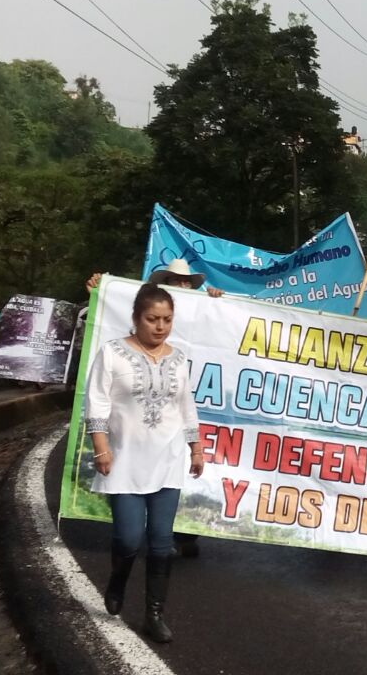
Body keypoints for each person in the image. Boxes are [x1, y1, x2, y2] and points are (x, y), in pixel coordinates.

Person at [86, 283, 204, 643]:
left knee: (160, 541)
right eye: (152, 319)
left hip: (167, 458)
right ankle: (119, 577)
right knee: (127, 537)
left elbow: (186, 407)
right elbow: (97, 402)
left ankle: (154, 615)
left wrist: (196, 448)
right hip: (124, 459)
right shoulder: (113, 353)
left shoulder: (179, 358)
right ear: (136, 318)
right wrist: (101, 447)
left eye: (167, 319)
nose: (160, 326)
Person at [87, 259, 225, 298]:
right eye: (176, 280)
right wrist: (100, 291)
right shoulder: (145, 303)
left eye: (187, 282)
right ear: (164, 283)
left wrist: (215, 301)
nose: (182, 285)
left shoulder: (200, 308)